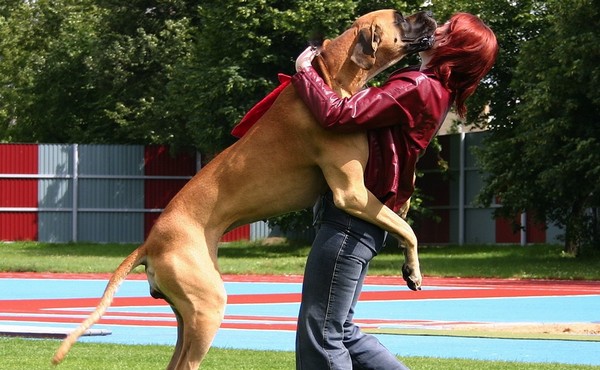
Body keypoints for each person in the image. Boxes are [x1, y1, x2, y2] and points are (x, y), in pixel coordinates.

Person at [292, 12, 498, 370]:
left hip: (349, 223)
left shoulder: (418, 86)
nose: (439, 28)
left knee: (321, 335)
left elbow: (337, 115)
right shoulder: (435, 91)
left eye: (449, 29)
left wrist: (305, 72)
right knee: (341, 331)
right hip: (365, 223)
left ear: (456, 49)